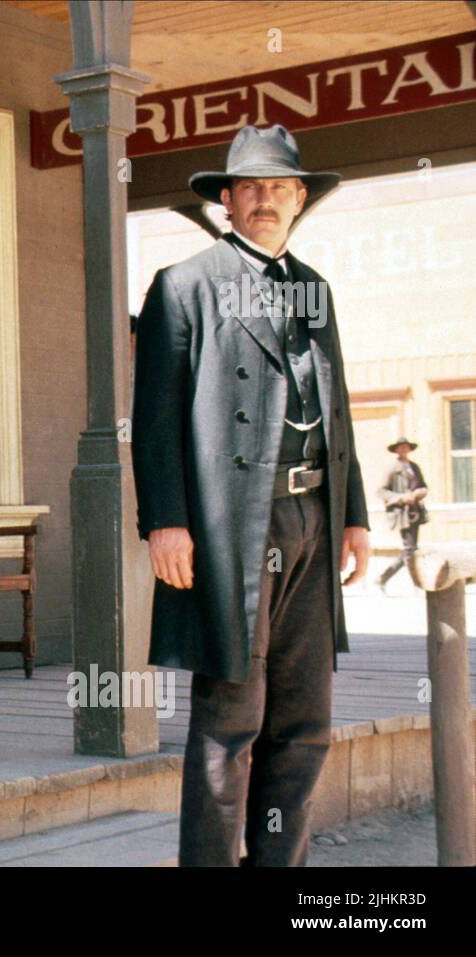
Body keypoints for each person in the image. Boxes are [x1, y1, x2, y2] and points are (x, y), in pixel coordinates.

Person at [132, 124, 371, 866]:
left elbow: (340, 410)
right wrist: (165, 519)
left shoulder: (316, 288)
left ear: (300, 199)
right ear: (227, 201)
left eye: (280, 187)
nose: (266, 199)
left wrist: (355, 515)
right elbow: (156, 418)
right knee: (231, 716)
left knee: (304, 719)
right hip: (233, 522)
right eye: (251, 188)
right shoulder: (186, 285)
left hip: (312, 515)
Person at [376, 437, 428, 590]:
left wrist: (418, 493)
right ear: (396, 450)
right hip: (402, 513)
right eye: (401, 447)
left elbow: (423, 486)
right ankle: (412, 583)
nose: (404, 450)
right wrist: (400, 498)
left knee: (411, 549)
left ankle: (382, 579)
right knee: (410, 549)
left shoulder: (414, 467)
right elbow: (381, 491)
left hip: (415, 512)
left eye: (406, 447)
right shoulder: (393, 469)